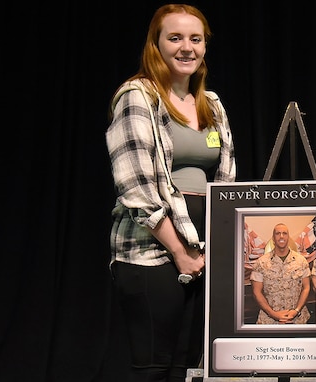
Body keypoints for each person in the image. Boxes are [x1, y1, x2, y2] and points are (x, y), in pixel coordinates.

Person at [105, 4, 236, 381]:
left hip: (205, 251)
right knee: (155, 367)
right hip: (152, 250)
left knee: (188, 367)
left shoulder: (211, 104)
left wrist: (215, 245)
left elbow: (226, 178)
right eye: (175, 38)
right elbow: (136, 187)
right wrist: (180, 251)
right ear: (156, 44)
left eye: (195, 39)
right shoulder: (138, 96)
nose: (186, 47)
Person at [250, 223, 312, 324]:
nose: (281, 236)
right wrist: (273, 314)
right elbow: (256, 292)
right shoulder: (261, 263)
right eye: (278, 233)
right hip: (269, 321)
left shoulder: (301, 261)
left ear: (289, 237)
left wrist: (296, 311)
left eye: (284, 233)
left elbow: (306, 288)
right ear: (273, 238)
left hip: (298, 320)